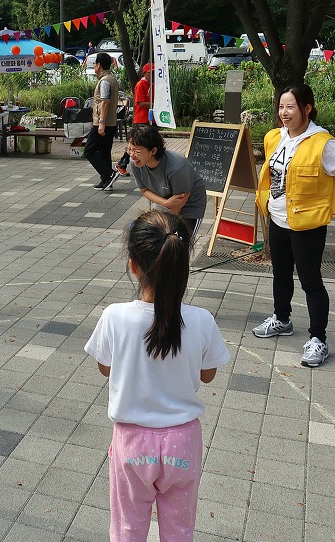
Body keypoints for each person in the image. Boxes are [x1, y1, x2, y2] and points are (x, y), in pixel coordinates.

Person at [85, 209, 230, 542]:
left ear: (134, 266)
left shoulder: (115, 317)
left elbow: (105, 367)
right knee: (179, 530)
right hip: (183, 443)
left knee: (127, 529)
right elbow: (208, 375)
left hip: (133, 444)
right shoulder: (202, 320)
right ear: (182, 264)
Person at [253, 84, 335, 368]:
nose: (284, 113)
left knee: (310, 281)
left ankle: (318, 339)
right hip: (277, 218)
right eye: (281, 107)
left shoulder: (323, 143)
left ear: (307, 108)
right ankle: (281, 319)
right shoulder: (274, 137)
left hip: (307, 224)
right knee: (280, 274)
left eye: (290, 107)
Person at [127, 126, 208, 244]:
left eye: (137, 152)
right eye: (129, 149)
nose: (132, 155)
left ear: (153, 151)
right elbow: (144, 190)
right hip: (165, 201)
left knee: (179, 246)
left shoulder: (177, 168)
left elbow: (178, 204)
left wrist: (165, 228)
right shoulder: (135, 163)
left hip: (188, 206)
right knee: (157, 242)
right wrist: (165, 203)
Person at [86, 53, 121, 191]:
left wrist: (101, 123)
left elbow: (105, 102)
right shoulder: (112, 78)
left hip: (103, 122)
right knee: (104, 151)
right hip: (111, 122)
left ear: (99, 65)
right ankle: (106, 180)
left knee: (89, 150)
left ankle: (109, 174)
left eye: (95, 63)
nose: (94, 66)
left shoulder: (105, 81)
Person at [116, 63, 155, 175]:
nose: (153, 75)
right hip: (141, 119)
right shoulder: (140, 84)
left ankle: (125, 164)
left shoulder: (151, 85)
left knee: (145, 144)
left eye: (154, 73)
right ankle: (122, 164)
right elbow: (141, 103)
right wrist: (155, 105)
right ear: (145, 73)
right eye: (150, 73)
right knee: (135, 144)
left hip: (149, 118)